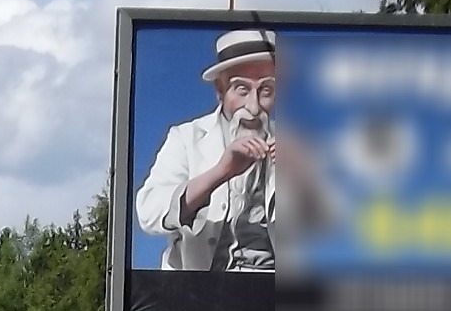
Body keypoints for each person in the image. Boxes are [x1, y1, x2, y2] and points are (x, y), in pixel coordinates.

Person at [135, 28, 329, 272]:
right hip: (197, 289)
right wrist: (221, 172)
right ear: (220, 90)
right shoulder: (186, 138)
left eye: (266, 91)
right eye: (242, 89)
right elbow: (149, 213)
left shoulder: (297, 143)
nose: (254, 107)